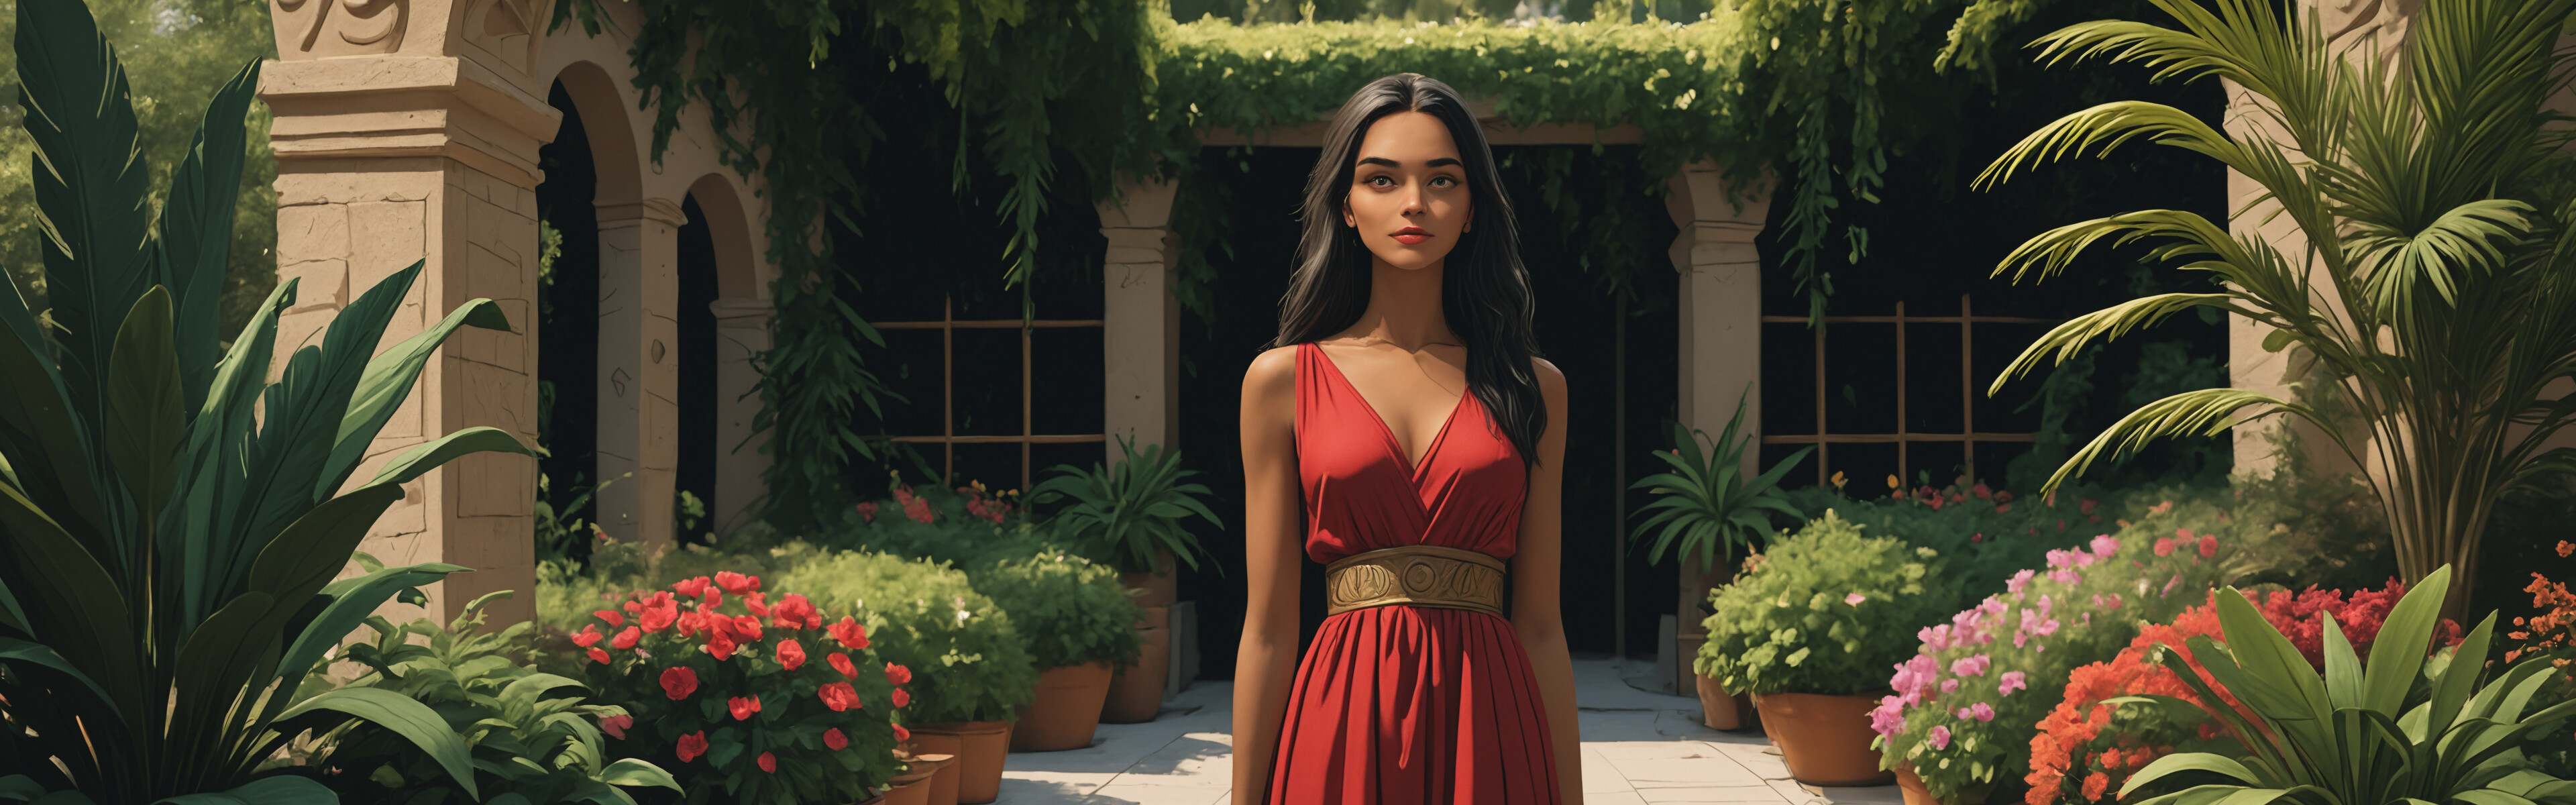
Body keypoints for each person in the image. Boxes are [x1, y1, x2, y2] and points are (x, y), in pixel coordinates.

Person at [1231, 72, 1582, 804]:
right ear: (1347, 208)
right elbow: (1267, 630)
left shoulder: (1532, 386)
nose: (1414, 203)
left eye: (1442, 179)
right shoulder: (1281, 382)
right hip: (1339, 716)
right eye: (1382, 179)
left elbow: (1543, 627)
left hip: (1490, 716)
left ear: (1473, 208)